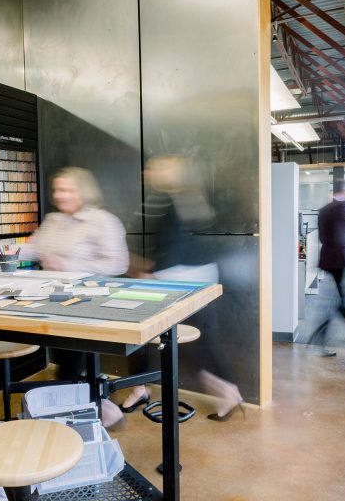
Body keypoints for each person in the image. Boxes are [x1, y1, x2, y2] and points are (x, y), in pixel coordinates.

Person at [121, 155, 244, 421]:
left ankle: (142, 387)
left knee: (147, 332)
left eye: (156, 169)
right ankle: (226, 390)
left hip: (178, 281)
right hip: (194, 276)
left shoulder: (170, 200)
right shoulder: (186, 197)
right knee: (199, 339)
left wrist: (148, 274)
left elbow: (172, 247)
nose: (148, 173)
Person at [21, 166, 129, 426]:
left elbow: (118, 263)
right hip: (53, 302)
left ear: (84, 191)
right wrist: (5, 251)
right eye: (58, 189)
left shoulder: (103, 221)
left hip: (88, 304)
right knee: (66, 361)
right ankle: (96, 407)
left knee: (69, 363)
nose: (61, 195)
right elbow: (33, 248)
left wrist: (69, 266)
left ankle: (91, 412)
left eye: (68, 190)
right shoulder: (53, 220)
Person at [308, 180, 345, 356]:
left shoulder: (324, 210)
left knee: (341, 295)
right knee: (337, 300)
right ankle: (318, 340)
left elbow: (322, 238)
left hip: (328, 258)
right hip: (341, 258)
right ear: (344, 191)